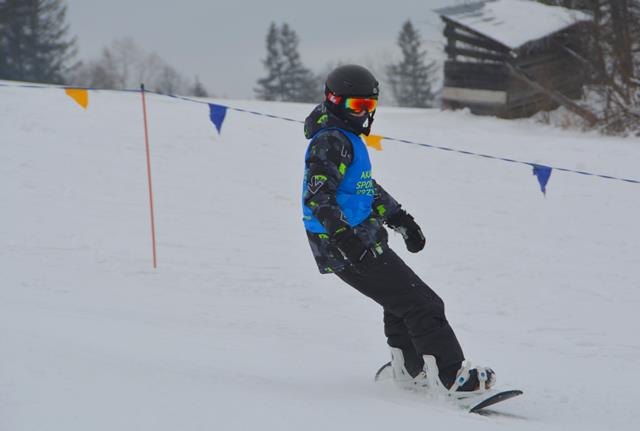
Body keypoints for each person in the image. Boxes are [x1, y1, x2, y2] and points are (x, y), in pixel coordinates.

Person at [301, 64, 495, 394]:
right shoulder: (330, 141)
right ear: (334, 101)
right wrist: (345, 239)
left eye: (369, 105)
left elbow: (363, 187)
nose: (363, 114)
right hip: (345, 244)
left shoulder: (345, 137)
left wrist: (400, 218)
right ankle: (452, 379)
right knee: (423, 304)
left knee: (401, 302)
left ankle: (410, 369)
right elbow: (318, 196)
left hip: (360, 239)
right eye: (356, 106)